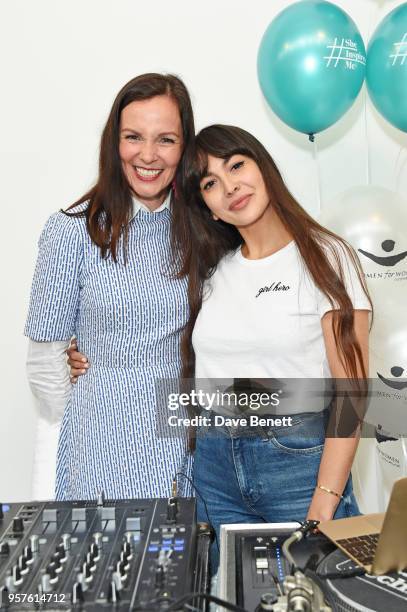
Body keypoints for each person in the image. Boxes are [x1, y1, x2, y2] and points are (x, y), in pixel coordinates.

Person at [69, 124, 372, 571]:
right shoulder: (214, 271)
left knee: (313, 595)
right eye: (210, 183)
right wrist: (87, 353)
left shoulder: (328, 257)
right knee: (228, 596)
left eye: (236, 165)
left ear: (263, 166)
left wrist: (325, 500)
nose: (229, 187)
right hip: (215, 465)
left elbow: (352, 394)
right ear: (206, 206)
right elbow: (165, 340)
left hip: (297, 463)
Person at [25, 73, 196, 501]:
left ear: (185, 147)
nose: (148, 155)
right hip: (101, 449)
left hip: (192, 448)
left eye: (166, 139)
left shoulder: (205, 229)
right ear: (113, 143)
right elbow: (45, 367)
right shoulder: (72, 231)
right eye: (133, 137)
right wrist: (97, 400)